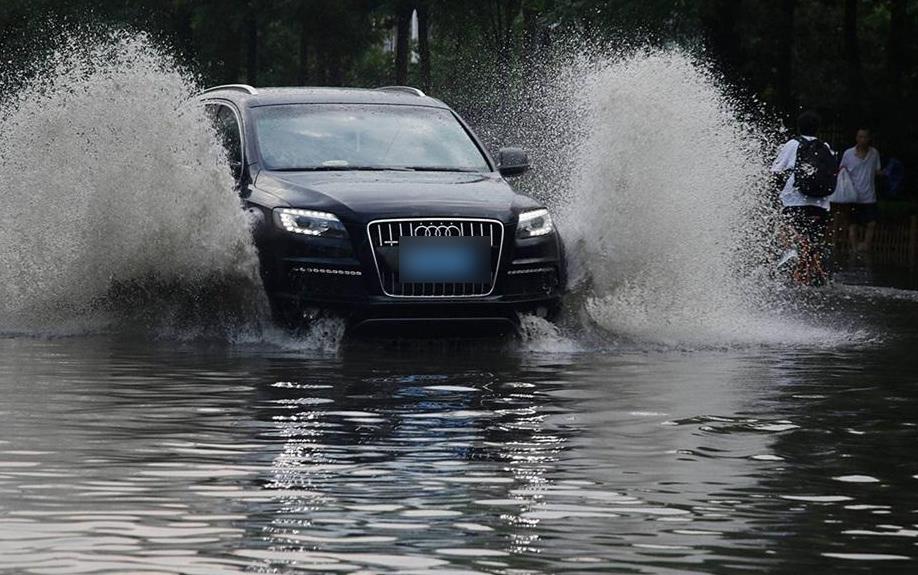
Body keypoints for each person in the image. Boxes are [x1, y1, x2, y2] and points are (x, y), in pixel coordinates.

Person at [771, 111, 835, 286]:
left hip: (794, 200)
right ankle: (813, 277)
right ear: (818, 129)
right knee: (814, 242)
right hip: (821, 203)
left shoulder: (792, 144)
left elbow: (775, 170)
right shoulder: (825, 147)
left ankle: (792, 251)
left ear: (799, 127)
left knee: (784, 229)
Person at [839, 128, 883, 253]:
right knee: (853, 223)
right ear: (856, 138)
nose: (862, 140)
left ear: (869, 139)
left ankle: (866, 246)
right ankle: (854, 248)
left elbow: (877, 170)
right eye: (860, 137)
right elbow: (842, 170)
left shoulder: (874, 153)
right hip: (852, 194)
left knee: (872, 222)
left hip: (869, 194)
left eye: (864, 137)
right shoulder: (848, 153)